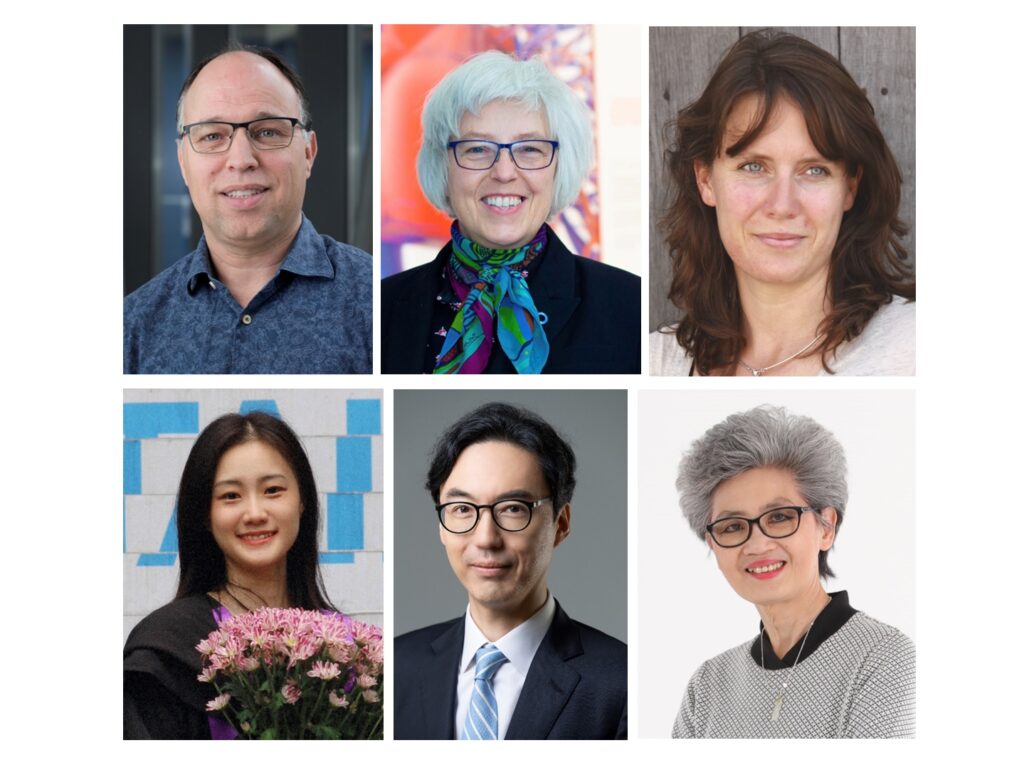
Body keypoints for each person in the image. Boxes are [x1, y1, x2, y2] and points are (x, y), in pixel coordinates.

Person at [651, 30, 915, 376]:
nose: (782, 204)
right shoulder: (654, 362)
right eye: (753, 166)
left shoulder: (915, 350)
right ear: (706, 180)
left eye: (815, 170)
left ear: (850, 188)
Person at [382, 51, 640, 374]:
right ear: (442, 166)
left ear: (560, 167)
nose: (504, 172)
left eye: (530, 149)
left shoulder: (631, 306)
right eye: (477, 149)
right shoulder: (381, 309)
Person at [124, 46, 372, 374]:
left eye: (268, 131)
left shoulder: (377, 300)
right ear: (183, 162)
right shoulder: (132, 326)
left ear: (308, 153)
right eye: (212, 135)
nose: (241, 160)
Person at [671, 405, 914, 738]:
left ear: (826, 526)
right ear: (712, 545)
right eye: (732, 526)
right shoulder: (709, 685)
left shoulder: (883, 659)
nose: (757, 545)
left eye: (780, 517)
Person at [394, 403, 627, 739]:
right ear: (442, 526)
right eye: (462, 509)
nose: (486, 538)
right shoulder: (397, 666)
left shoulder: (621, 683)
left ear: (560, 524)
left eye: (513, 509)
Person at [123, 412, 335, 739]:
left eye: (273, 490)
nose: (254, 513)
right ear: (205, 514)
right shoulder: (168, 650)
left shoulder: (342, 649)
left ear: (303, 500)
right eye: (230, 496)